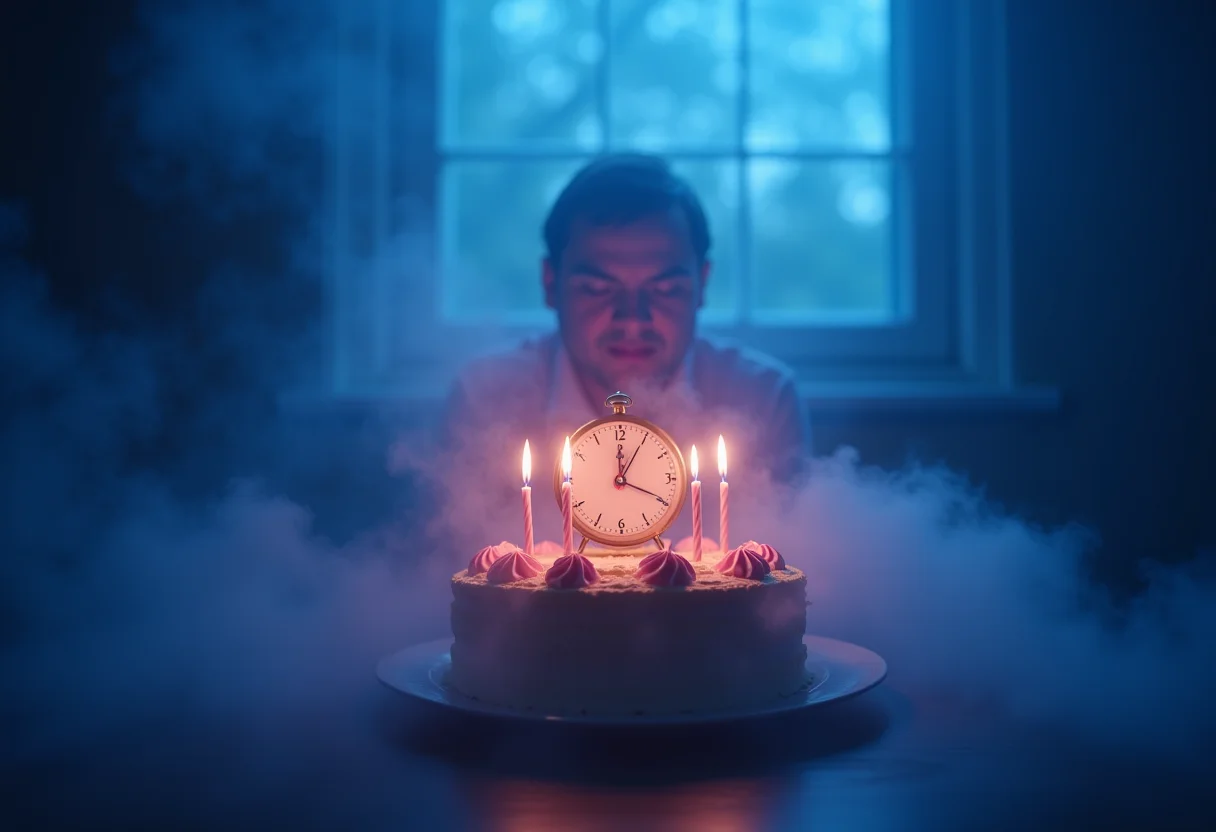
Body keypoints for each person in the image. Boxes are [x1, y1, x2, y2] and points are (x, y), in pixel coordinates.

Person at [442, 154, 810, 512]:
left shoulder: (762, 398)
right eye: (598, 289)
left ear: (703, 284)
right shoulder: (485, 397)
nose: (633, 320)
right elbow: (444, 564)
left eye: (665, 290)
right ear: (551, 283)